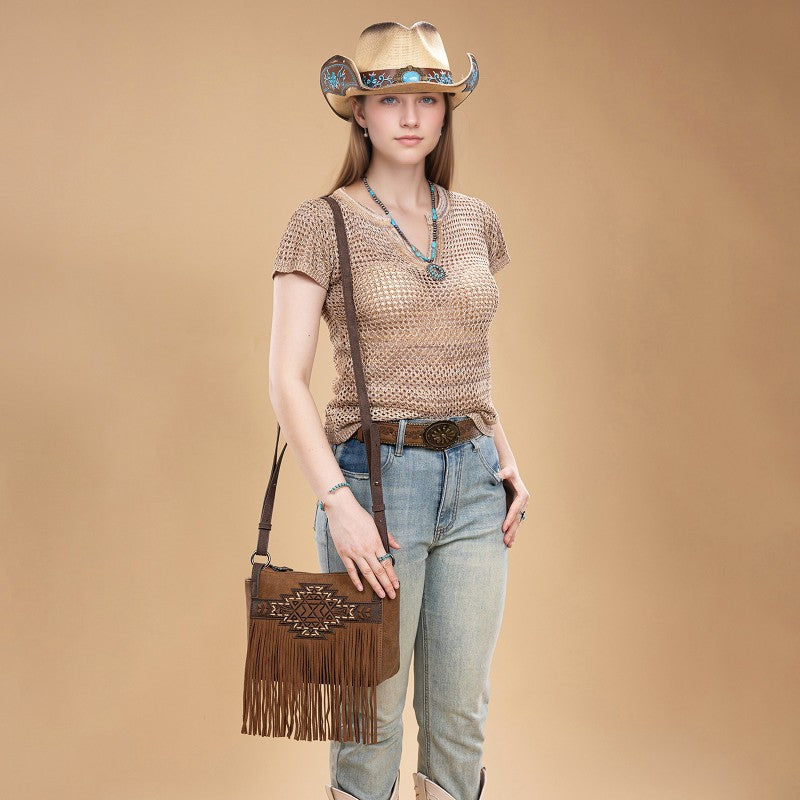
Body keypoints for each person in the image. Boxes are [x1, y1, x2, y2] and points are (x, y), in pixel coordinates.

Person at [269, 20, 530, 800]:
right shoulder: (321, 223)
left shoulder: (476, 220)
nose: (411, 116)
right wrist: (338, 504)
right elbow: (286, 380)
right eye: (391, 100)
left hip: (476, 486)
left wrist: (505, 454)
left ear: (447, 110)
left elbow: (463, 354)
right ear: (360, 111)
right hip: (375, 487)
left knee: (460, 720)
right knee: (370, 724)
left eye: (428, 99)